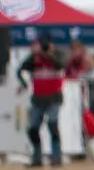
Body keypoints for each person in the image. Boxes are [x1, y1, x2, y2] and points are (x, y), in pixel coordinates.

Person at [17, 33, 65, 167]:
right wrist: (24, 83)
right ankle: (36, 157)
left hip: (54, 97)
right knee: (33, 128)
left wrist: (48, 55)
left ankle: (56, 156)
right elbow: (20, 69)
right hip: (38, 99)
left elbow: (60, 65)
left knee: (52, 124)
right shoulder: (34, 58)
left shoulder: (58, 54)